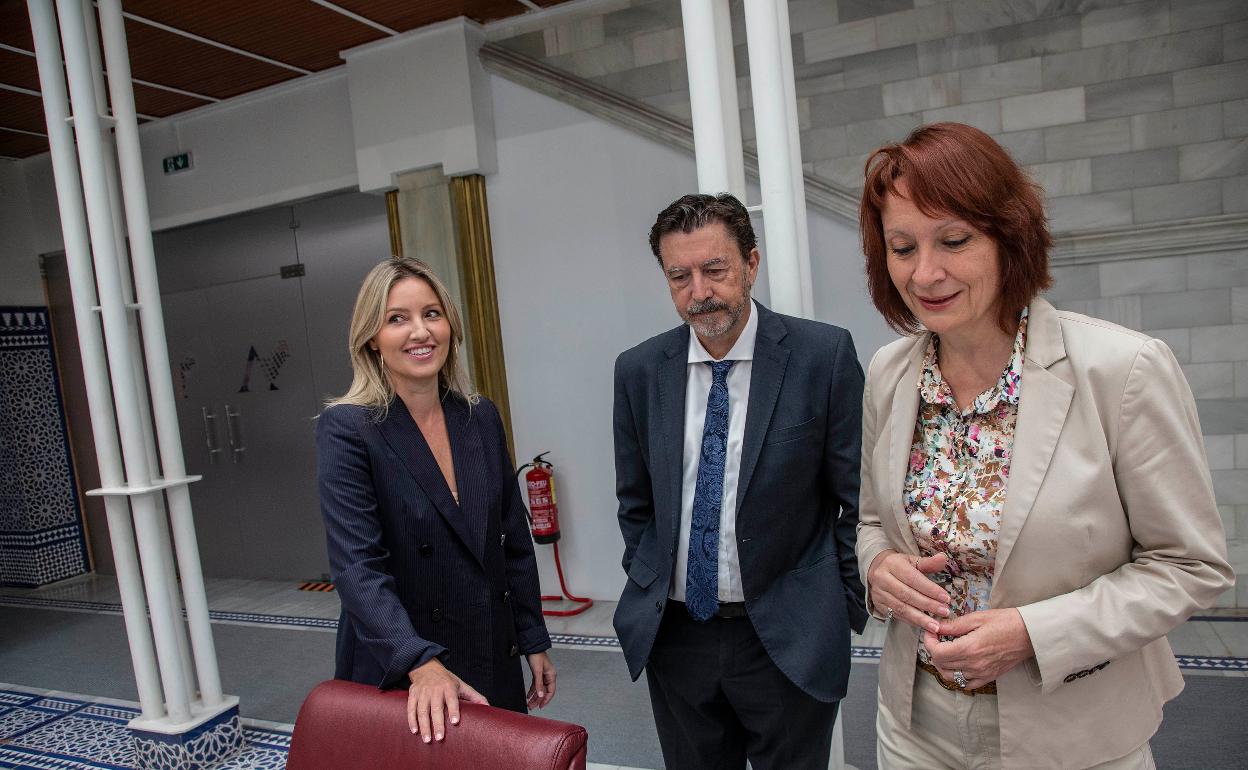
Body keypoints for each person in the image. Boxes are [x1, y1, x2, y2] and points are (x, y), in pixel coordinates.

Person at [855, 122, 1235, 769]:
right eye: (901, 247)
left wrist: (1034, 633)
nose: (926, 272)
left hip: (1071, 729)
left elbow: (1190, 566)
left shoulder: (1122, 369)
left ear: (1009, 236)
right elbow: (870, 521)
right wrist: (878, 569)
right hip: (915, 726)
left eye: (954, 240)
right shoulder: (890, 373)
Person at [613, 193, 868, 770]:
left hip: (785, 634)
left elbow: (856, 499)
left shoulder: (820, 356)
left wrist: (841, 605)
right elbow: (635, 502)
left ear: (752, 265)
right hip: (677, 638)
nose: (699, 291)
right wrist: (650, 578)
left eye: (715, 270)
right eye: (680, 276)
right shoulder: (638, 371)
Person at [316, 257, 555, 745]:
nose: (419, 331)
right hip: (405, 665)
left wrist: (531, 638)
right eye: (397, 318)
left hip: (491, 649)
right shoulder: (349, 428)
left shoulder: (480, 416)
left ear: (451, 325)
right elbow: (358, 569)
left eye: (432, 313)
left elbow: (512, 541)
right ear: (371, 340)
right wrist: (418, 661)